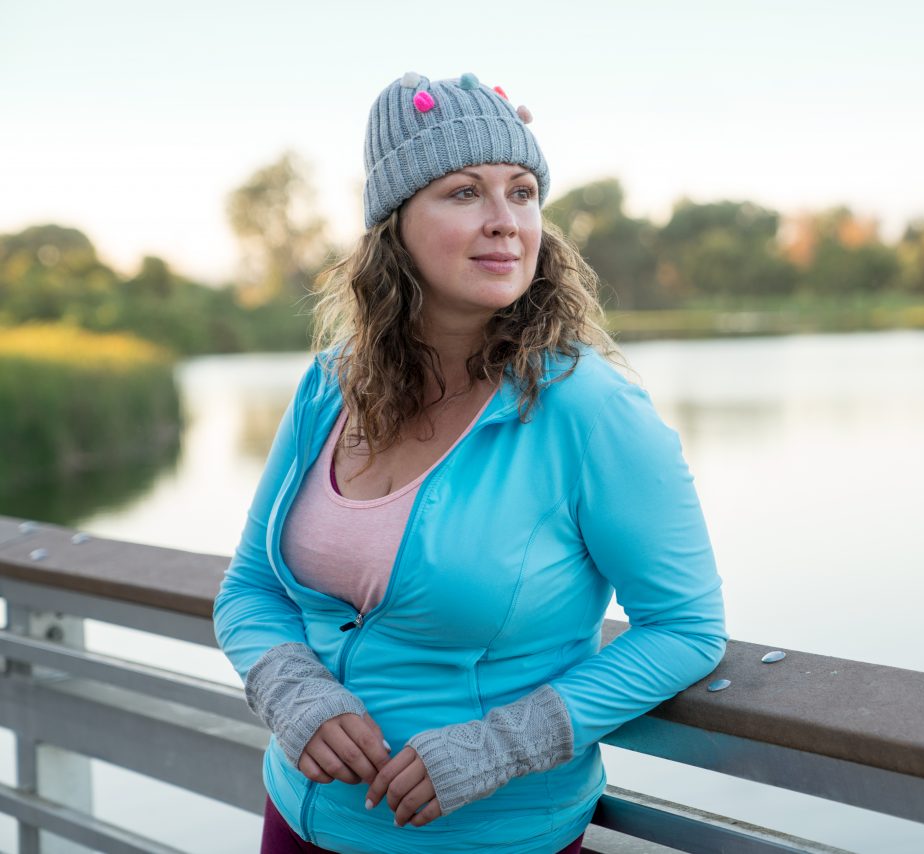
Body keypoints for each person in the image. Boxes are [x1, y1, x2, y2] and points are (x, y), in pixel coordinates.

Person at [212, 70, 728, 854]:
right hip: (298, 815)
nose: (506, 222)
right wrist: (294, 692)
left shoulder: (589, 411)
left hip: (486, 837)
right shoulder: (330, 387)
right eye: (463, 193)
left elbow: (686, 629)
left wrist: (500, 746)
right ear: (395, 226)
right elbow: (249, 589)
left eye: (522, 192)